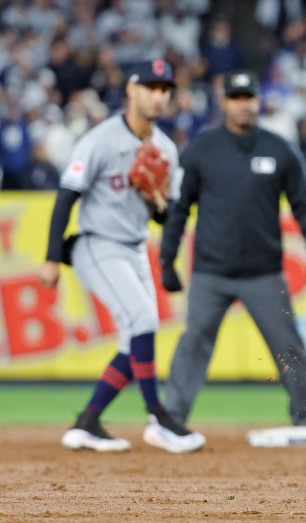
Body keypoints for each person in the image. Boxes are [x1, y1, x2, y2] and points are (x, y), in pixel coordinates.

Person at [41, 59, 206, 454]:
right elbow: (68, 194)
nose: (159, 95)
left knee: (134, 338)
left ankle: (86, 423)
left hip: (133, 247)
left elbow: (168, 216)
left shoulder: (165, 149)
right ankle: (158, 416)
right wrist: (50, 257)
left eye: (165, 88)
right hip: (96, 243)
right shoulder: (101, 139)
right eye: (150, 86)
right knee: (143, 320)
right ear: (131, 90)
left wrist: (155, 198)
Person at [160, 70, 306, 430]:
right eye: (235, 98)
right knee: (193, 343)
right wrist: (167, 258)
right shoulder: (202, 149)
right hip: (210, 271)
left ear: (258, 102)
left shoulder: (278, 148)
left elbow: (305, 206)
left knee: (288, 347)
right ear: (223, 103)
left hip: (263, 272)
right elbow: (179, 209)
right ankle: (172, 419)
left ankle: (304, 416)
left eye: (248, 98)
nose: (242, 105)